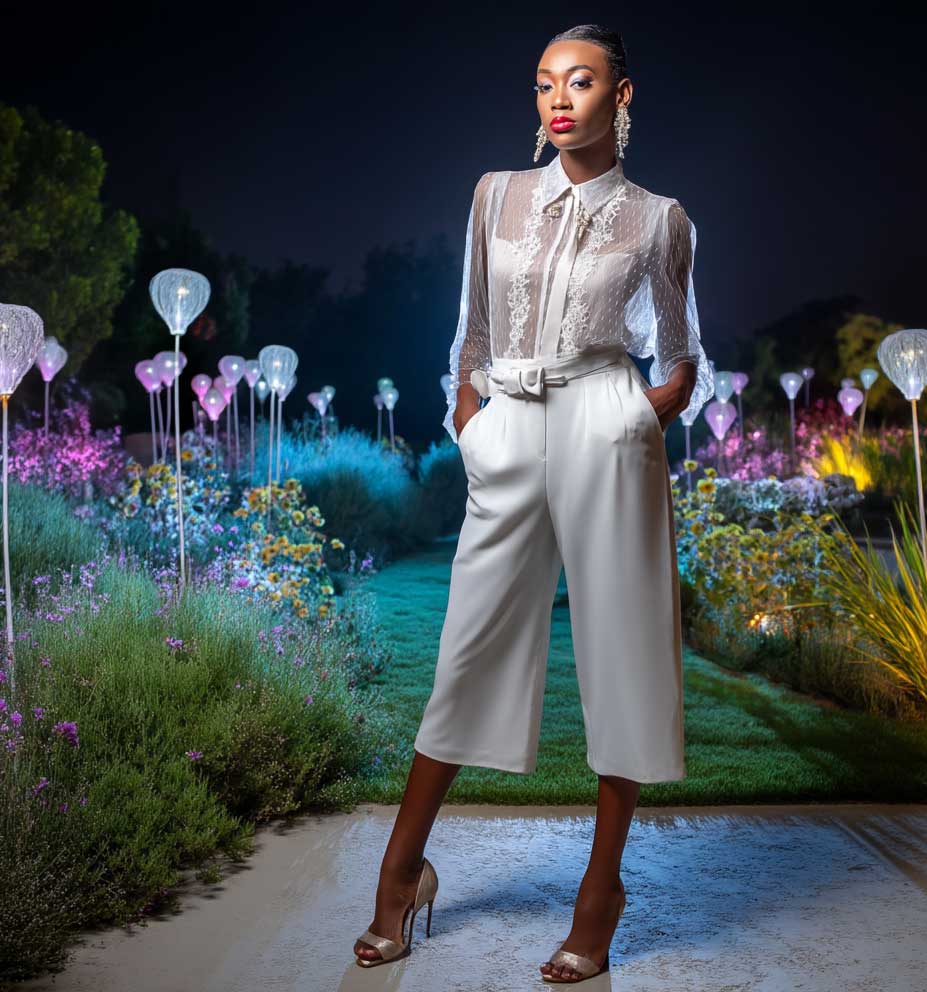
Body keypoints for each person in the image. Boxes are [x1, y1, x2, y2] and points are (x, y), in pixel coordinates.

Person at [353, 22, 713, 983]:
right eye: (546, 82)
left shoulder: (660, 220)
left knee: (624, 646)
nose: (560, 99)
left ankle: (600, 895)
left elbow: (679, 356)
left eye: (582, 82)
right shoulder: (494, 196)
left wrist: (638, 418)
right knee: (466, 645)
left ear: (622, 96)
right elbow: (468, 329)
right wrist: (471, 421)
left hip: (606, 420)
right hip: (506, 423)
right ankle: (400, 873)